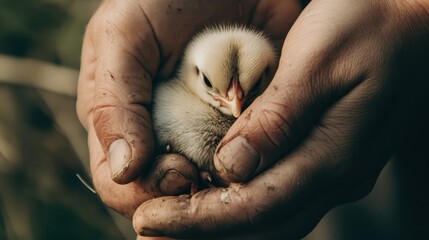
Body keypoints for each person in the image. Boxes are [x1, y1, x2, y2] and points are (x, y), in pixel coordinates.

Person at [77, 0, 429, 239]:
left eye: (250, 88)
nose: (234, 105)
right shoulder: (181, 93)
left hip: (366, 84)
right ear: (192, 72)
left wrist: (410, 10)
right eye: (217, 89)